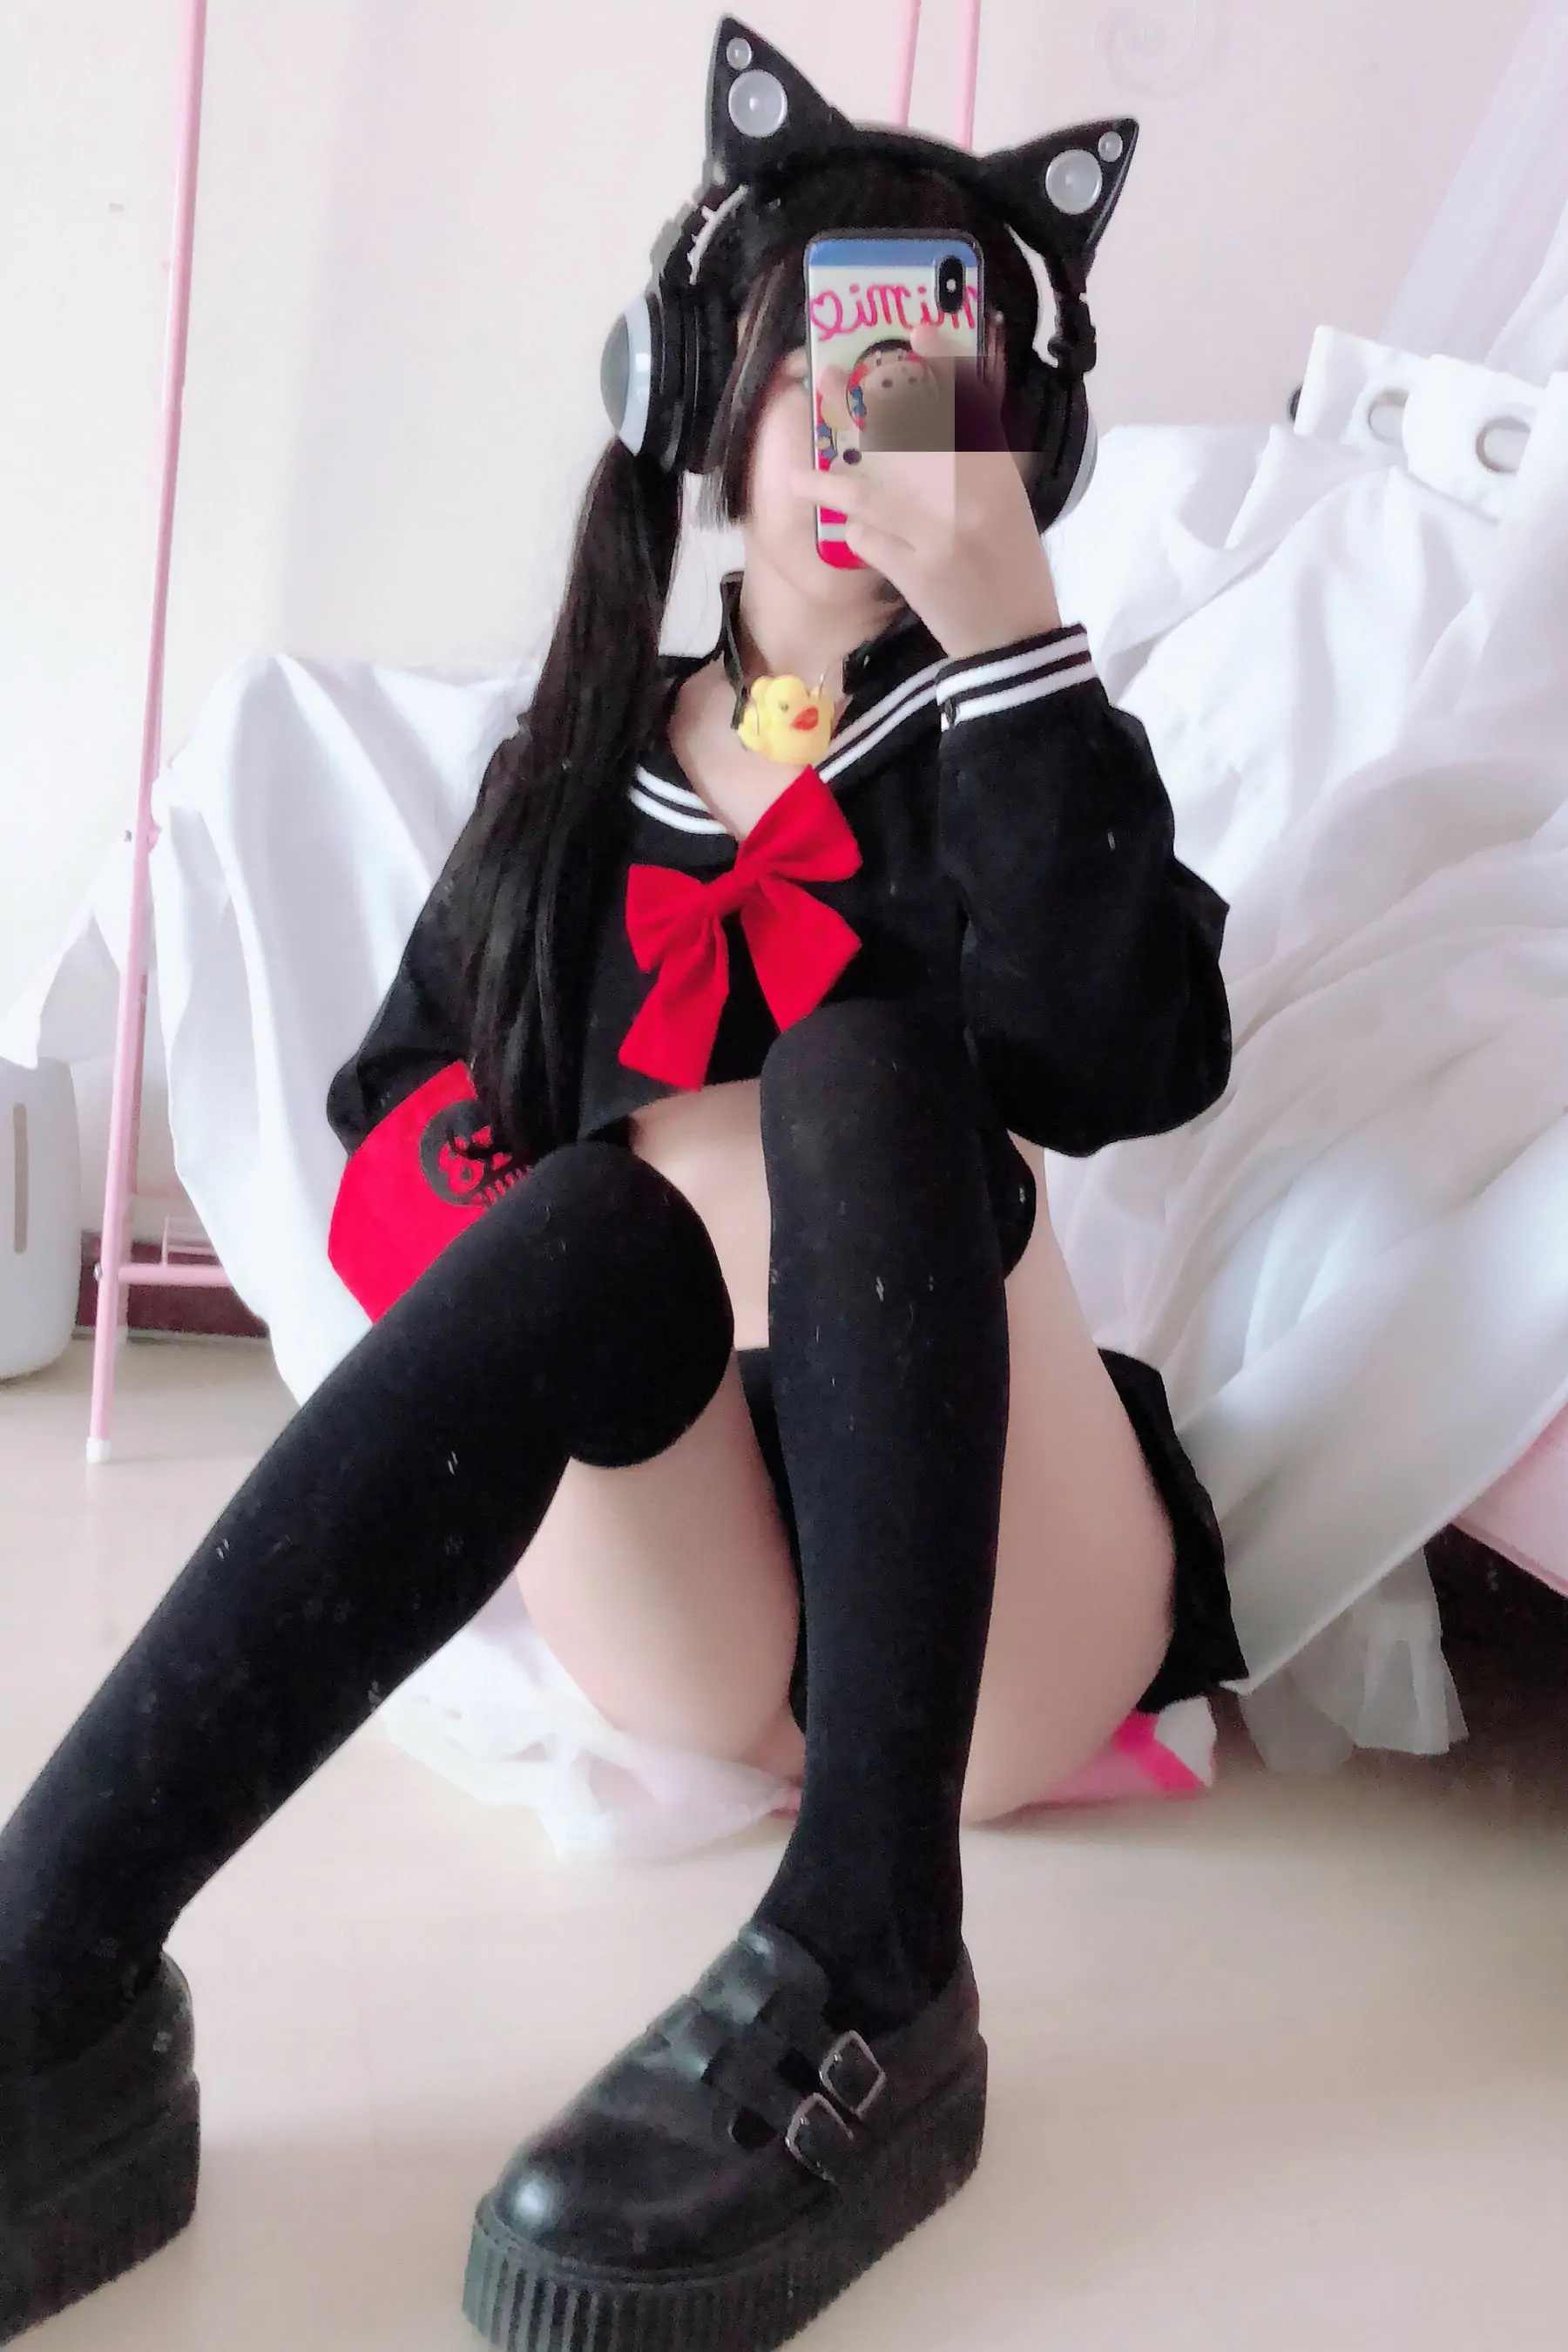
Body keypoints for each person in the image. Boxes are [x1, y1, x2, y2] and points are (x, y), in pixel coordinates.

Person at [0, 24, 1243, 2352]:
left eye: (933, 376)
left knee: (861, 1071)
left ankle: (875, 1957)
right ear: (710, 389)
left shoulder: (1020, 733)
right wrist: (583, 1217)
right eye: (827, 362)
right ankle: (45, 1967)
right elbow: (395, 1110)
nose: (868, 423)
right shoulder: (581, 763)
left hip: (1008, 1614)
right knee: (564, 1218)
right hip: (700, 1611)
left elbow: (1137, 1054)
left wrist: (1009, 638)